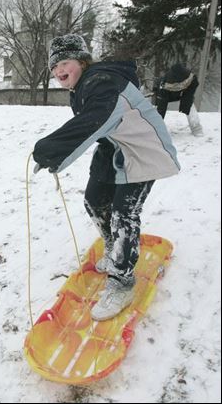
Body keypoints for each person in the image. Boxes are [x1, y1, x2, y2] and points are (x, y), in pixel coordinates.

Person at [32, 34, 180, 321]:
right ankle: (114, 248)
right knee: (94, 200)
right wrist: (58, 154)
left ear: (83, 61)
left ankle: (122, 283)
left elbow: (95, 118)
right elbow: (96, 126)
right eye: (54, 67)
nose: (59, 71)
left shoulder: (100, 80)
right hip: (114, 145)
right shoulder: (83, 86)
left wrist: (51, 148)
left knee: (123, 213)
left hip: (143, 150)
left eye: (65, 62)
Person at [153, 63, 203, 136]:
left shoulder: (191, 78)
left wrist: (186, 101)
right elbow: (161, 107)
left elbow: (193, 85)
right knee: (159, 109)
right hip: (166, 94)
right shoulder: (164, 83)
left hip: (183, 93)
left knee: (189, 105)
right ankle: (154, 128)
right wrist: (157, 125)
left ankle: (196, 128)